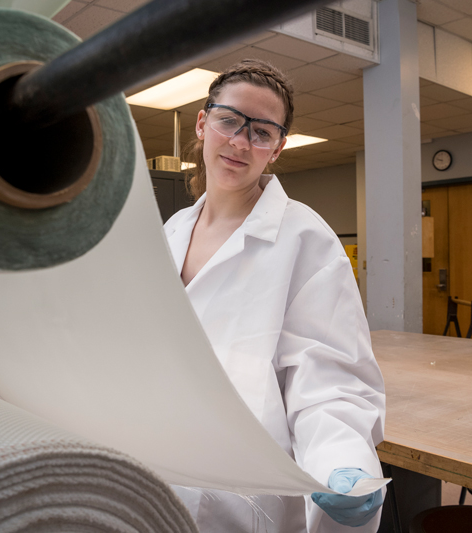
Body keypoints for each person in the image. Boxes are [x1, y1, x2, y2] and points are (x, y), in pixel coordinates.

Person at [163, 59, 386, 532]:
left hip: (242, 492)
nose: (241, 142)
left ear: (278, 147)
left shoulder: (305, 237)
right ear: (204, 123)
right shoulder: (170, 233)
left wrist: (340, 461)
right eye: (230, 121)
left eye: (262, 132)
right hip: (156, 467)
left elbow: (329, 379)